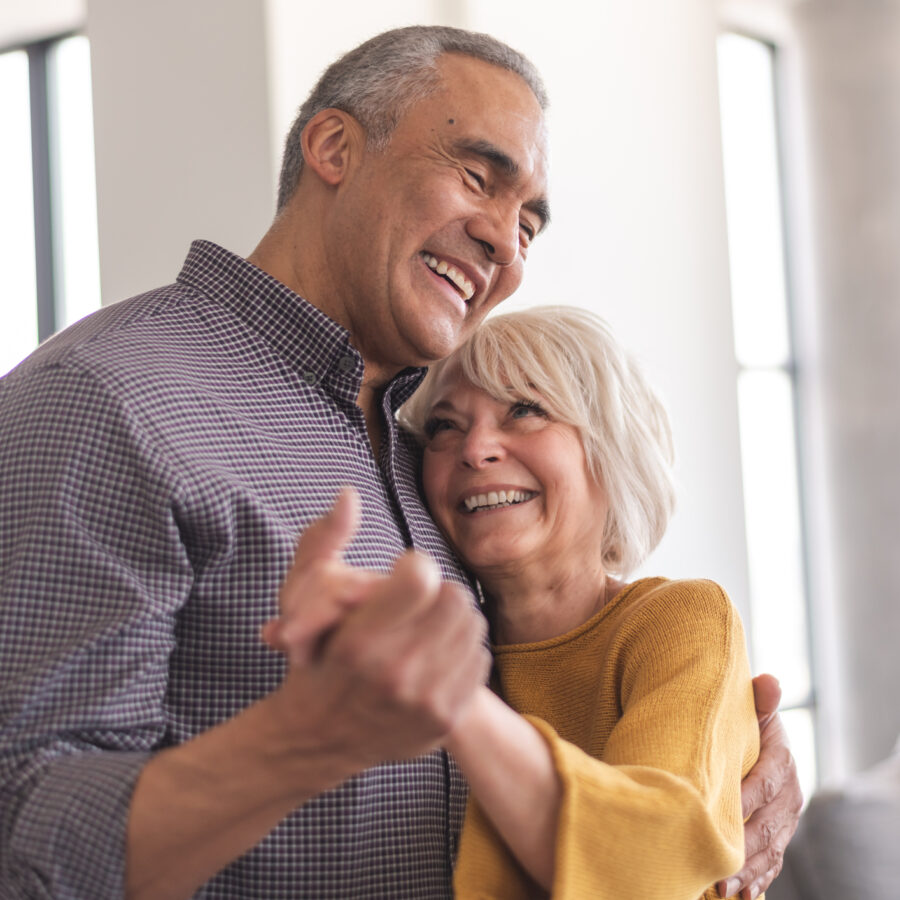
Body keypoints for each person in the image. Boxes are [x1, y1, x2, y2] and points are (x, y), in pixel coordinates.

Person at [0, 25, 799, 900]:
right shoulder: (102, 399)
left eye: (528, 221)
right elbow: (24, 837)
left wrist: (730, 777)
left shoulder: (435, 453)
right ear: (335, 147)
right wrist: (301, 739)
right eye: (477, 177)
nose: (506, 241)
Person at [399, 305, 764, 898]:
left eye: (525, 410)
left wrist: (452, 700)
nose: (475, 449)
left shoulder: (682, 620)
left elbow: (649, 865)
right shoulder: (444, 638)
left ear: (613, 451)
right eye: (444, 426)